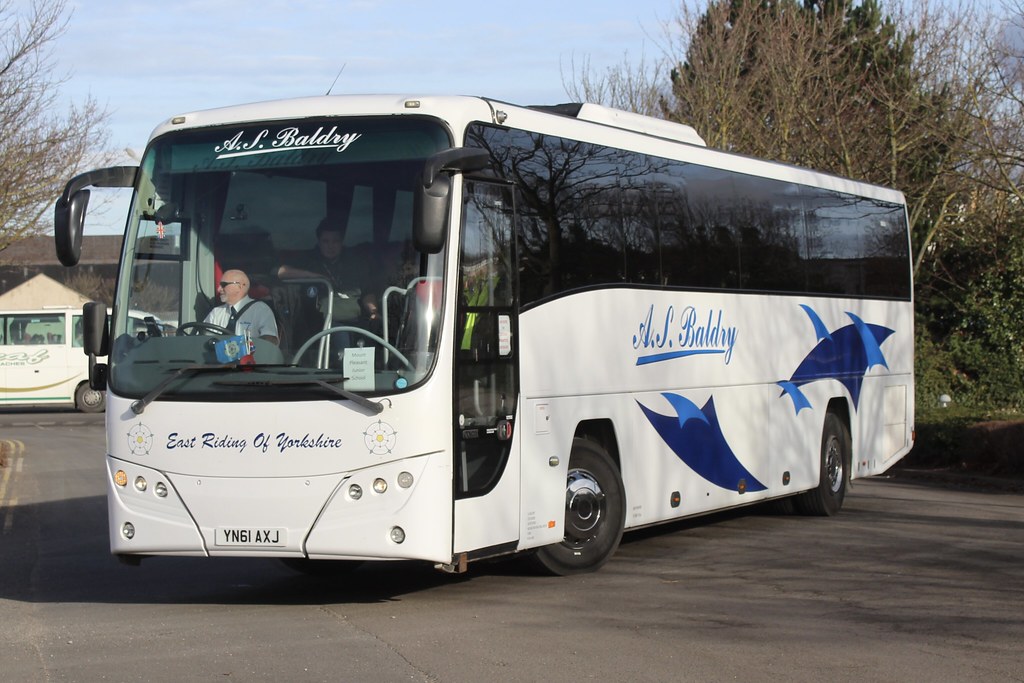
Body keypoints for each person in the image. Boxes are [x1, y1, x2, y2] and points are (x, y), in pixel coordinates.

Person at [276, 218, 377, 324]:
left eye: (335, 241)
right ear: (319, 242)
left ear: (342, 242)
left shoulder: (355, 262)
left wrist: (373, 312)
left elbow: (367, 292)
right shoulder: (309, 260)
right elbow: (281, 272)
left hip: (356, 322)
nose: (330, 246)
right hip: (323, 324)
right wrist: (311, 276)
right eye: (326, 241)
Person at [204, 269, 279, 345]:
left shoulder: (261, 310)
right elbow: (201, 340)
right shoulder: (216, 313)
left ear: (239, 286)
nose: (219, 289)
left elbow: (270, 342)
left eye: (224, 285)